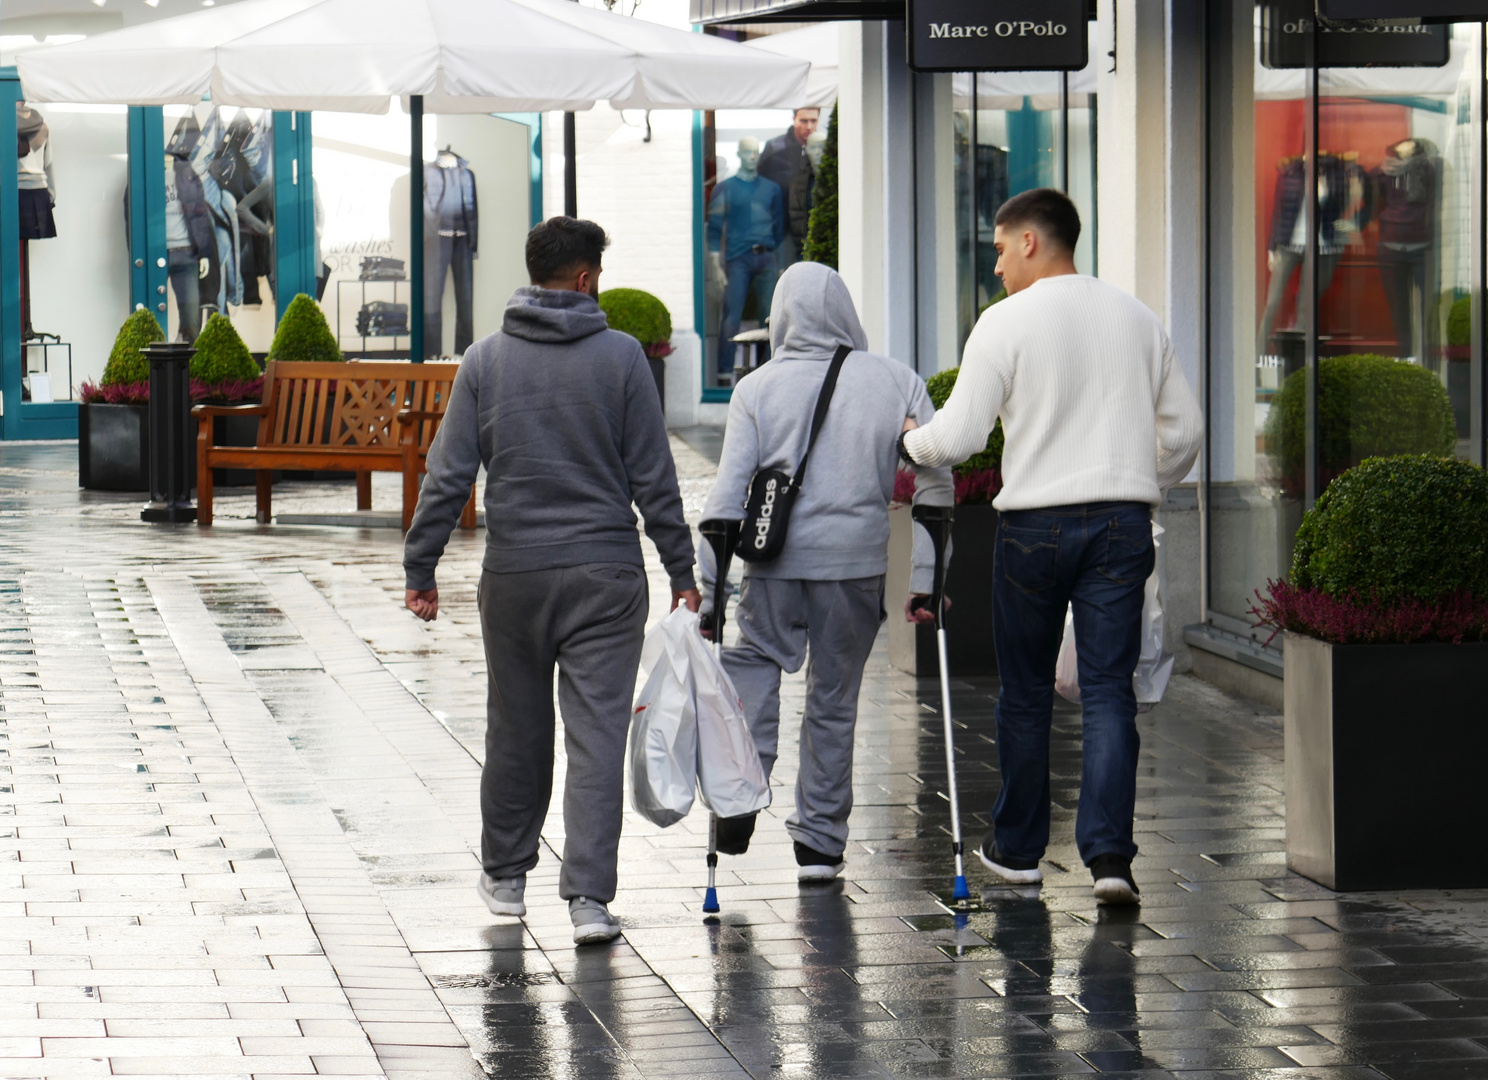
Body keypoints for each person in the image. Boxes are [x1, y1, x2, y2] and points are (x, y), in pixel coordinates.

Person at [899, 188, 1203, 906]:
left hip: (1034, 527)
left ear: (1031, 241)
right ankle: (1109, 862)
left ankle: (1019, 851)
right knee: (1107, 692)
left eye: (1000, 250)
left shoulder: (1005, 322)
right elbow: (1186, 434)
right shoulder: (1138, 318)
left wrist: (907, 441)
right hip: (1122, 524)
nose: (997, 267)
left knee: (1027, 692)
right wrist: (1133, 478)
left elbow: (961, 438)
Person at [403, 216, 699, 944]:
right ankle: (588, 901)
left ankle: (506, 876)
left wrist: (423, 565)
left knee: (517, 728)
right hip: (606, 575)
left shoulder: (485, 361)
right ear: (587, 277)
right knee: (595, 737)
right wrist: (682, 571)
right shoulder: (624, 359)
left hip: (517, 576)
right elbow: (654, 478)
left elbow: (449, 474)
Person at [700, 261, 954, 881]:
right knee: (834, 700)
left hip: (773, 568)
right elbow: (935, 482)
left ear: (780, 314)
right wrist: (928, 577)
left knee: (753, 668)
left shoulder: (756, 389)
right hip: (856, 567)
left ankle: (741, 789)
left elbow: (726, 500)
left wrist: (709, 592)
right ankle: (819, 842)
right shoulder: (897, 382)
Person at [707, 137, 785, 383]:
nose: (753, 157)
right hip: (738, 258)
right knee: (732, 316)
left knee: (770, 317)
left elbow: (780, 227)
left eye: (756, 153)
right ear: (739, 154)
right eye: (748, 153)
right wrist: (715, 264)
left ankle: (770, 370)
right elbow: (714, 227)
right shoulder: (725, 188)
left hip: (767, 257)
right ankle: (724, 372)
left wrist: (780, 263)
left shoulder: (771, 189)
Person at [757, 108, 820, 266]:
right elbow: (761, 188)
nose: (809, 126)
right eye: (804, 121)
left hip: (812, 228)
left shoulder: (824, 146)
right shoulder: (776, 148)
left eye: (813, 121)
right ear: (794, 119)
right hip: (781, 230)